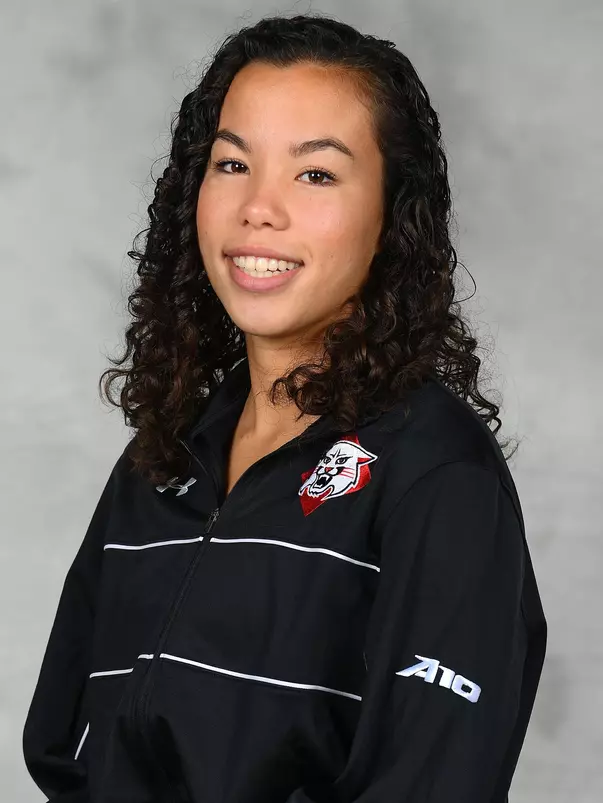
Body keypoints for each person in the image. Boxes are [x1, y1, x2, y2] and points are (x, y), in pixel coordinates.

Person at [22, 12, 547, 803]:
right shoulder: (163, 458)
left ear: (391, 215)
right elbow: (66, 747)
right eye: (232, 164)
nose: (257, 208)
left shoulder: (436, 476)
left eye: (315, 174)